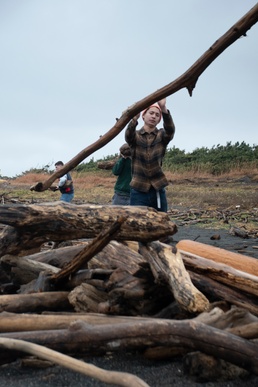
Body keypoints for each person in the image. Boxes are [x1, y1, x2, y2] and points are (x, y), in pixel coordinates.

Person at [125, 98, 175, 212]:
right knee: (136, 223)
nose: (154, 116)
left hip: (157, 187)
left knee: (162, 222)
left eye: (157, 115)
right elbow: (128, 135)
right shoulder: (136, 136)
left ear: (159, 120)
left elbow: (170, 130)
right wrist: (133, 118)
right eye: (151, 113)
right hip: (138, 188)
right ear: (143, 116)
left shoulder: (161, 135)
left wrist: (163, 108)